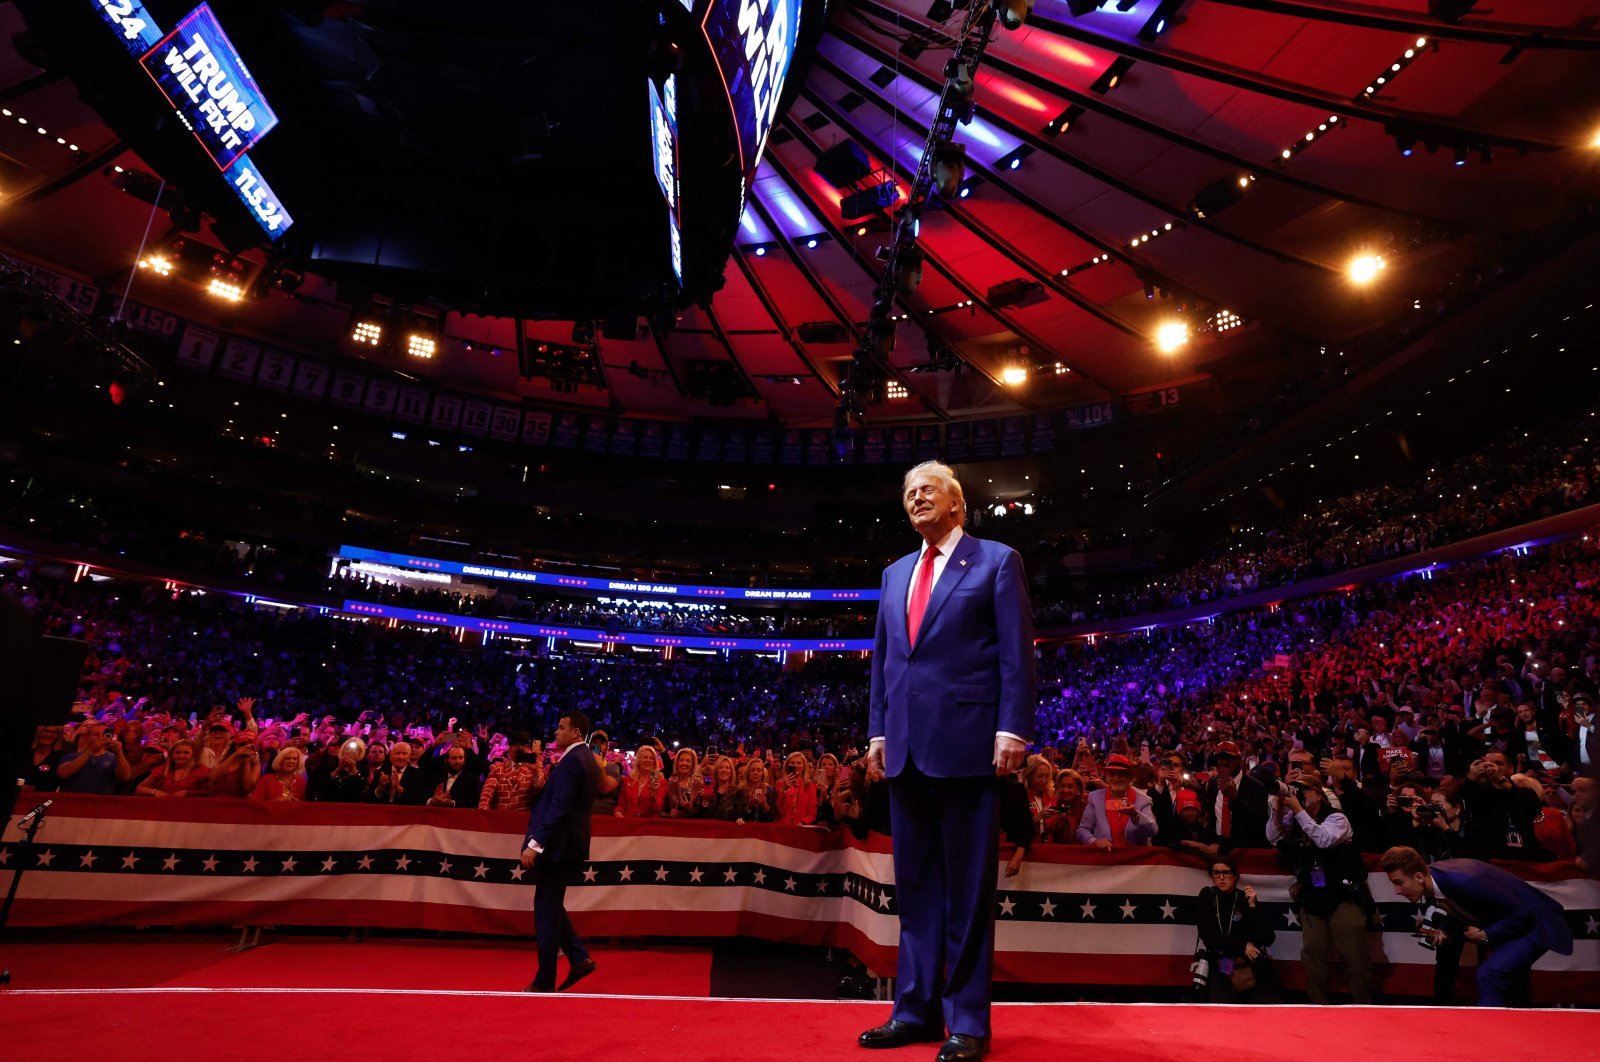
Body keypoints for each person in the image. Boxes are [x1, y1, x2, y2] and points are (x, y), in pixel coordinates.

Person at [860, 461, 1035, 1062]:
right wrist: (878, 733)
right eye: (908, 493)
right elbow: (886, 662)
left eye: (926, 490)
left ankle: (967, 1021)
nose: (915, 499)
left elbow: (1016, 654)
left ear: (957, 503)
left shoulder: (996, 561)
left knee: (966, 892)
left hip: (968, 746)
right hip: (905, 751)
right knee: (915, 889)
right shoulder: (893, 574)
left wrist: (1012, 728)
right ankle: (914, 1010)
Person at [1382, 845, 1574, 1007]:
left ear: (1418, 877)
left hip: (1538, 924)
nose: (1396, 891)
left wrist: (1485, 935)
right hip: (1517, 921)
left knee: (1489, 975)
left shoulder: (1464, 880)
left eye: (1399, 883)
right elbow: (1464, 906)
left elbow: (1523, 913)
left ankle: (1488, 1035)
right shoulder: (1434, 878)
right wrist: (1445, 930)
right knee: (1512, 986)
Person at [1268, 774, 1374, 1004]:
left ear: (1318, 794)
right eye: (1293, 790)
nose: (1297, 795)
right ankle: (1318, 1007)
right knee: (1312, 953)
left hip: (1343, 894)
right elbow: (1274, 837)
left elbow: (1324, 839)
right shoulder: (1296, 819)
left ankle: (1365, 1006)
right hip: (1313, 896)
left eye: (1303, 790)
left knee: (1354, 956)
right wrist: (1277, 810)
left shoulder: (1337, 819)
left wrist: (1298, 811)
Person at [519, 710, 601, 994]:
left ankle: (544, 982)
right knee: (552, 908)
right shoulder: (585, 759)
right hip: (567, 846)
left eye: (561, 727)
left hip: (557, 847)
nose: (555, 732)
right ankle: (578, 958)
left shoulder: (573, 762)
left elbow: (560, 808)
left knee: (545, 915)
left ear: (576, 732)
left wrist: (535, 844)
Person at [1195, 854, 1278, 1003]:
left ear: (1235, 875)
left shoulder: (1244, 898)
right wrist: (1242, 946)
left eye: (1226, 872)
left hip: (1248, 965)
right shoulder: (1207, 895)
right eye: (1216, 873)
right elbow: (1208, 937)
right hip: (1221, 963)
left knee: (1265, 1010)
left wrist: (1253, 907)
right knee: (1224, 1013)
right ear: (1212, 877)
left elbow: (1268, 938)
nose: (1221, 877)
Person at [1077, 753, 1157, 849]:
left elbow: (1153, 830)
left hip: (1134, 860)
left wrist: (1135, 814)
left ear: (1130, 777)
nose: (1116, 778)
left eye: (1121, 775)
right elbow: (1082, 829)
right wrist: (1095, 841)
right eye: (1112, 774)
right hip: (1104, 857)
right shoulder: (1095, 797)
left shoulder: (1143, 800)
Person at [479, 732, 543, 812]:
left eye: (523, 744)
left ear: (528, 749)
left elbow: (539, 790)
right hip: (500, 819)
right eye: (516, 744)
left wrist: (536, 772)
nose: (520, 747)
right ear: (509, 748)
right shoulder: (497, 768)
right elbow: (487, 793)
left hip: (524, 820)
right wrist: (483, 814)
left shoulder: (535, 767)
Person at [136, 739, 209, 797]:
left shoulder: (200, 769)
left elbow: (211, 792)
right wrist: (154, 792)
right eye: (177, 753)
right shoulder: (162, 769)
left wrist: (189, 793)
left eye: (186, 753)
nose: (181, 756)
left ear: (193, 755)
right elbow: (139, 789)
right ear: (171, 754)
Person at [620, 745, 669, 818]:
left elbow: (658, 808)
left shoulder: (661, 782)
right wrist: (618, 812)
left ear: (654, 761)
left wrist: (653, 797)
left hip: (649, 825)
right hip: (629, 823)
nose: (648, 760)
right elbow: (621, 804)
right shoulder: (628, 780)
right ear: (639, 760)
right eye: (645, 757)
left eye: (651, 758)